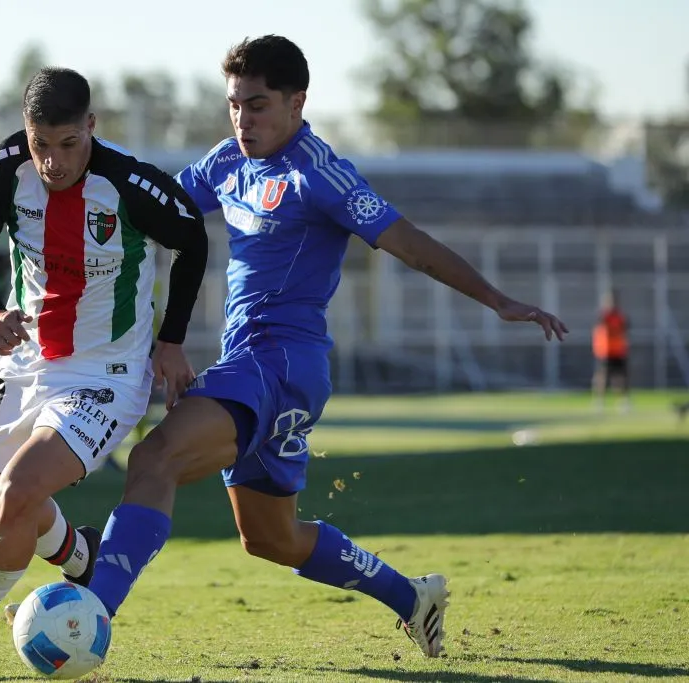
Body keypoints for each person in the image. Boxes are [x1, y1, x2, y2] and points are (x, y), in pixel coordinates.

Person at [75, 35, 568, 661]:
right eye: (234, 105)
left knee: (153, 461)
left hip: (279, 363)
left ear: (296, 101)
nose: (242, 119)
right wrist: (38, 170)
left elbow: (407, 241)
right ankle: (413, 598)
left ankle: (89, 616)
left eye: (256, 106)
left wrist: (496, 299)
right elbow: (149, 203)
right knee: (270, 539)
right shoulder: (227, 163)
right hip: (252, 364)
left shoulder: (319, 173)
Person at [0, 66, 209, 675]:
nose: (53, 161)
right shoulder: (5, 168)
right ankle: (78, 558)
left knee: (19, 492)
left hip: (108, 371)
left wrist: (170, 341)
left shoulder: (129, 181)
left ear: (91, 126)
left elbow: (194, 241)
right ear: (26, 130)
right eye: (41, 144)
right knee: (1, 510)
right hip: (25, 360)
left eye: (69, 144)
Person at [591, 290, 631, 413]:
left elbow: (624, 331)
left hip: (618, 351)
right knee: (603, 376)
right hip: (605, 351)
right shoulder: (603, 316)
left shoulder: (621, 316)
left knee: (621, 377)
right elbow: (599, 330)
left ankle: (623, 401)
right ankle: (599, 401)